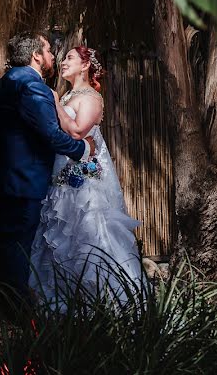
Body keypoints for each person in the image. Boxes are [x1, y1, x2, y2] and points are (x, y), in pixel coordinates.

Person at [29, 46, 146, 308]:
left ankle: (108, 300)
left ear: (85, 65)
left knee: (90, 234)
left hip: (85, 183)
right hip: (62, 178)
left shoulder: (91, 97)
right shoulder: (68, 94)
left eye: (69, 57)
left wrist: (55, 104)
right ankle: (66, 303)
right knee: (61, 235)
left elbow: (77, 133)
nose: (62, 62)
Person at [0, 32, 95, 295]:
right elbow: (52, 134)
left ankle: (4, 304)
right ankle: (18, 313)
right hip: (21, 182)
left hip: (0, 179)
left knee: (6, 246)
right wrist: (83, 148)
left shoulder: (5, 82)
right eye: (48, 50)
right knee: (19, 248)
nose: (53, 56)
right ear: (36, 56)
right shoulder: (31, 86)